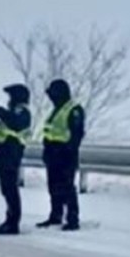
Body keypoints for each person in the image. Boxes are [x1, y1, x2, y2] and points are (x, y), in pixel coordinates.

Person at [37, 79, 85, 231]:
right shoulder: (56, 109)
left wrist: (65, 151)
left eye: (53, 94)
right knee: (53, 187)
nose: (51, 98)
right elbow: (51, 131)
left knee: (67, 188)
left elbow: (76, 135)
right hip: (52, 154)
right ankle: (55, 216)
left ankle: (72, 219)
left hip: (65, 156)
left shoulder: (73, 109)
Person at [0, 84, 32, 235]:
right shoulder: (13, 112)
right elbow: (4, 130)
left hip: (12, 154)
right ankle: (9, 220)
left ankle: (13, 223)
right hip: (4, 153)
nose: (9, 100)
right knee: (6, 189)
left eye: (11, 96)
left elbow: (16, 125)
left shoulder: (22, 112)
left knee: (11, 189)